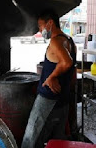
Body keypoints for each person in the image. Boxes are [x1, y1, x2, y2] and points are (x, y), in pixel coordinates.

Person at [21, 9, 76, 148]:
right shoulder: (69, 40)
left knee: (32, 134)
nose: (40, 30)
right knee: (58, 137)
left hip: (48, 97)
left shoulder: (56, 42)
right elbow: (71, 68)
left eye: (41, 26)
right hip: (63, 97)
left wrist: (52, 77)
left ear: (50, 23)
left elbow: (67, 62)